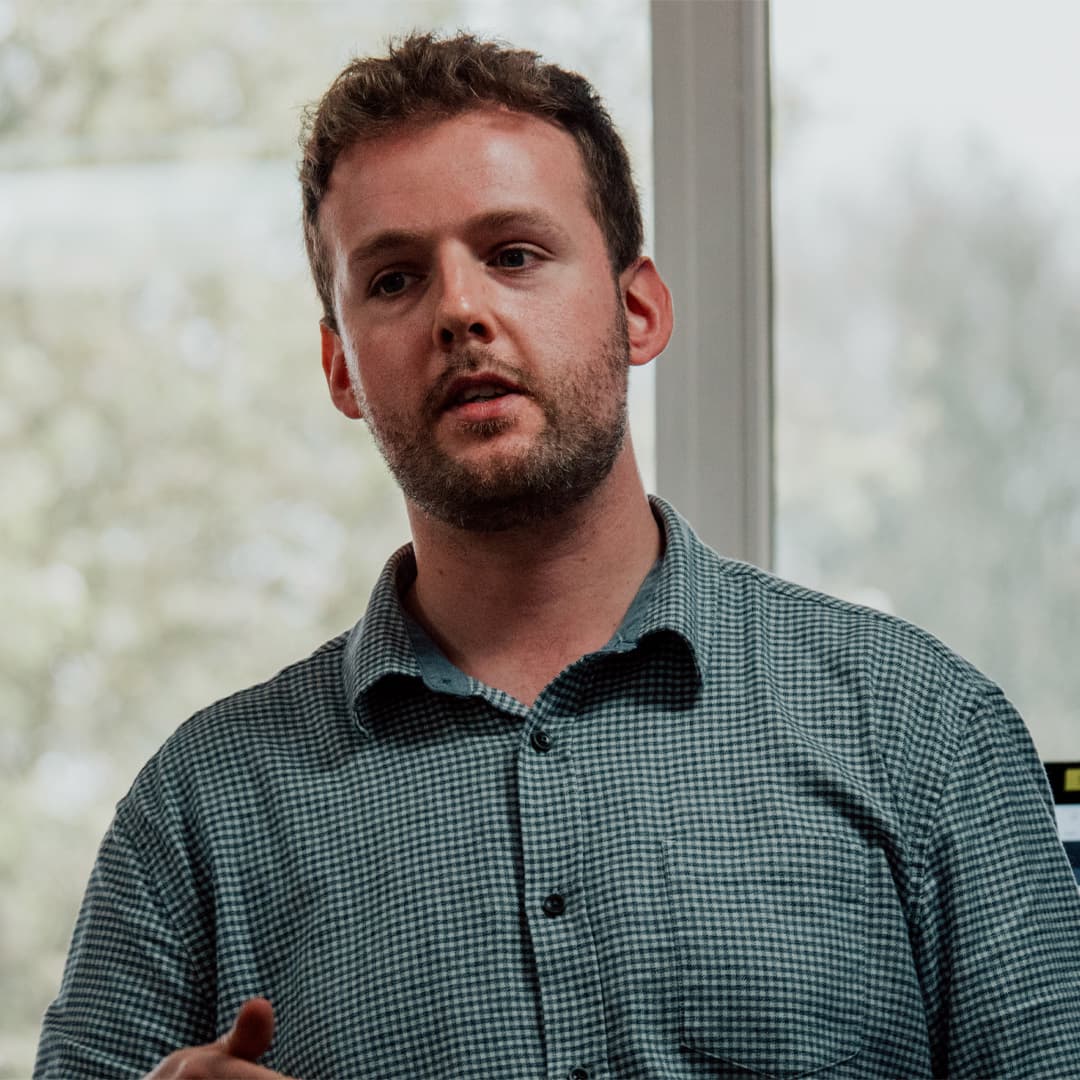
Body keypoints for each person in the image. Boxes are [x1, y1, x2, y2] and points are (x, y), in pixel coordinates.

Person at [35, 31, 1080, 1080]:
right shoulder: (199, 811)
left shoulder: (923, 733)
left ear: (638, 308)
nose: (460, 312)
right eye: (395, 279)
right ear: (339, 366)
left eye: (514, 255)